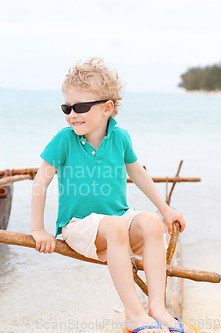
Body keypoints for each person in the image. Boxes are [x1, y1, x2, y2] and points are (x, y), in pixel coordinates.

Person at [31, 58, 194, 333]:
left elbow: (139, 174)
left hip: (117, 221)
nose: (72, 114)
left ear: (108, 108)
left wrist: (165, 209)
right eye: (66, 108)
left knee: (152, 222)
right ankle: (133, 314)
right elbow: (40, 183)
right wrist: (38, 229)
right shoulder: (64, 139)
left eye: (80, 107)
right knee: (115, 225)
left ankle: (157, 307)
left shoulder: (120, 138)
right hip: (78, 225)